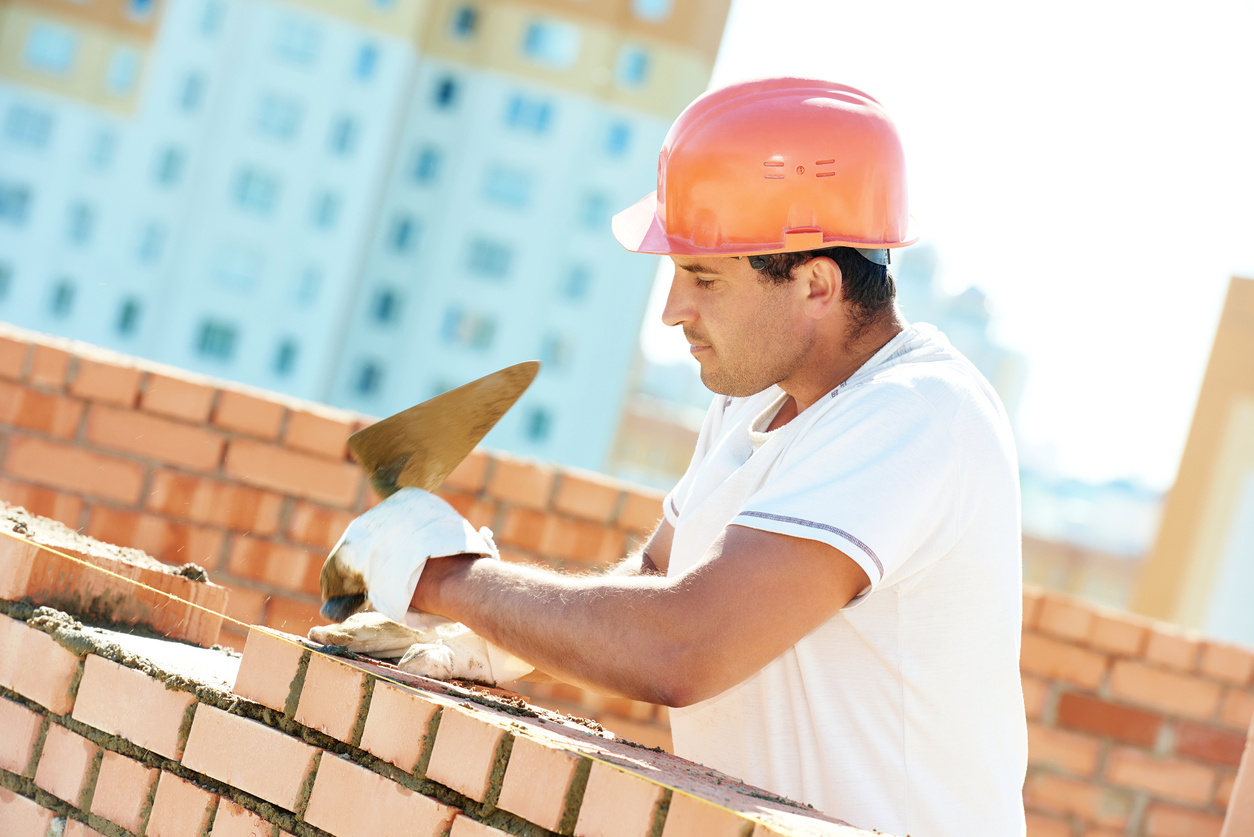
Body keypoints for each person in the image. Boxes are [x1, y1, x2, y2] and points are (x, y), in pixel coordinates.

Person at [314, 78, 1028, 837]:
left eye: (705, 279)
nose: (672, 310)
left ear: (816, 283)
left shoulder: (917, 414)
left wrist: (445, 575)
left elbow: (686, 643)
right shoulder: (752, 398)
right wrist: (485, 644)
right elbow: (657, 579)